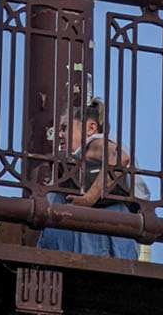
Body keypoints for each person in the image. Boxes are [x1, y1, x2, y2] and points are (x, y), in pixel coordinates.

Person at [37, 97, 140, 260]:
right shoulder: (76, 160)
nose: (59, 134)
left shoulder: (93, 143)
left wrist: (89, 197)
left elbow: (118, 157)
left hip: (93, 238)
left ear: (91, 128)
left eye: (65, 127)